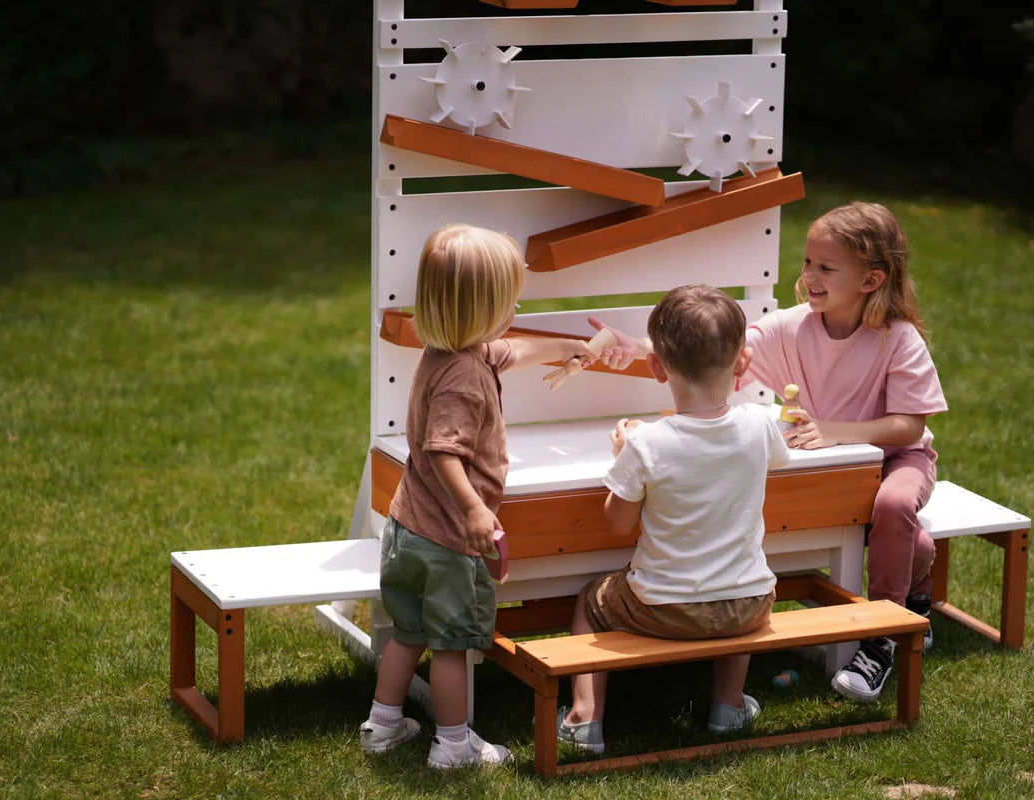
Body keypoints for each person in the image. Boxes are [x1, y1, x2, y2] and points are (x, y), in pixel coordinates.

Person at [591, 202, 947, 704]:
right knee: (914, 545)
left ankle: (882, 637)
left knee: (892, 509)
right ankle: (917, 598)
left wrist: (835, 431)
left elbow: (909, 425)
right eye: (807, 263)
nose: (809, 276)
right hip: (829, 461)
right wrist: (638, 346)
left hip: (896, 459)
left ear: (871, 280)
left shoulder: (899, 339)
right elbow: (708, 345)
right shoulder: (792, 326)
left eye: (825, 267)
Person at [359, 223, 593, 769]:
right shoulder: (465, 374)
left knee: (407, 632)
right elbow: (444, 451)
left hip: (408, 529)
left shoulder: (450, 351)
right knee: (450, 646)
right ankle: (454, 746)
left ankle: (382, 724)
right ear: (485, 307)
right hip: (446, 540)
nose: (515, 306)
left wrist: (570, 349)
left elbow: (512, 350)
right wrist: (474, 510)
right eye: (509, 298)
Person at [556, 285, 790, 755]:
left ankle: (584, 717)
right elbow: (775, 458)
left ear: (656, 367)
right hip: (749, 605)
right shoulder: (762, 424)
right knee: (736, 583)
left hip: (662, 608)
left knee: (590, 600)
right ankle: (727, 706)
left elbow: (619, 525)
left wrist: (623, 456)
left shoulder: (647, 444)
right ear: (741, 363)